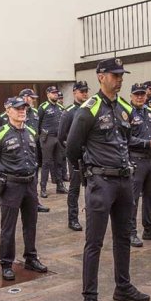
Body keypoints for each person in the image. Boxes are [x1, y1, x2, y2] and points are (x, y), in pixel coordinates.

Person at [66, 57, 151, 301]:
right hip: (101, 182)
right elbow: (71, 147)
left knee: (123, 236)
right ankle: (90, 297)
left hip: (124, 181)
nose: (119, 79)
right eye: (114, 75)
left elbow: (126, 141)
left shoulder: (125, 107)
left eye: (121, 75)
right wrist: (90, 172)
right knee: (94, 242)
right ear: (100, 76)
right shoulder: (88, 109)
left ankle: (122, 286)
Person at [0, 97, 48, 281]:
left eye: (24, 108)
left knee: (31, 224)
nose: (22, 111)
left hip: (29, 184)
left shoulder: (31, 132)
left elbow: (38, 157)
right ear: (8, 111)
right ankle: (6, 263)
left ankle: (31, 257)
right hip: (11, 186)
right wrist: (2, 181)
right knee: (8, 228)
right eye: (18, 108)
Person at [125, 82, 151, 248]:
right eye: (137, 94)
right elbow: (126, 139)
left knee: (150, 196)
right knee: (133, 199)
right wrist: (147, 143)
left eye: (142, 94)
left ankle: (148, 228)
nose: (140, 97)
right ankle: (131, 232)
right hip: (136, 159)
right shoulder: (126, 113)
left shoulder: (150, 112)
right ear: (131, 96)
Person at [59, 81, 90, 231]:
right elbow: (61, 136)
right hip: (76, 157)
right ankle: (73, 219)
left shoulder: (89, 109)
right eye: (81, 91)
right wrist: (72, 151)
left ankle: (91, 215)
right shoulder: (69, 111)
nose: (84, 94)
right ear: (74, 92)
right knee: (75, 188)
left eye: (86, 91)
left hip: (90, 155)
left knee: (92, 187)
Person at [38, 86, 67, 198]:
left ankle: (60, 186)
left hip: (58, 138)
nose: (55, 95)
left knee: (59, 162)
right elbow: (38, 123)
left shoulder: (60, 107)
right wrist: (41, 137)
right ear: (48, 94)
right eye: (53, 93)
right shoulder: (43, 107)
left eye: (56, 93)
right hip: (47, 138)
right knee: (46, 163)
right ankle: (43, 188)